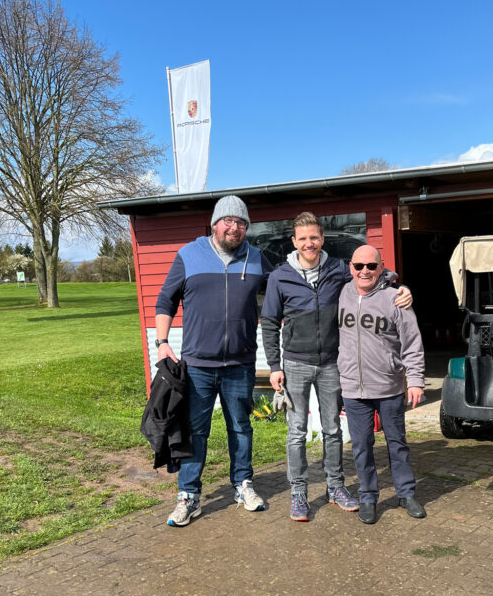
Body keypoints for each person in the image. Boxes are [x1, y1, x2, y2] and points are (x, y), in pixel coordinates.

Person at [261, 213, 411, 521]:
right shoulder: (280, 276)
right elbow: (269, 322)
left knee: (332, 429)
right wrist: (275, 364)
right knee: (297, 432)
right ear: (294, 241)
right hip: (295, 363)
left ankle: (335, 488)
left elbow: (371, 273)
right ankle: (299, 494)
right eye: (302, 238)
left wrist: (401, 286)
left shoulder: (338, 269)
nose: (309, 243)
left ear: (322, 238)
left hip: (331, 363)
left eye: (314, 237)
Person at [155, 195, 273, 526]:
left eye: (241, 223)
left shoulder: (257, 258)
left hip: (240, 363)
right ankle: (189, 496)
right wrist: (162, 343)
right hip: (198, 366)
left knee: (240, 427)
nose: (235, 228)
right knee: (195, 431)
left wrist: (382, 278)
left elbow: (288, 285)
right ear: (215, 224)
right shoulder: (189, 255)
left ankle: (243, 484)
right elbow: (166, 299)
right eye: (229, 221)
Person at [337, 244, 426, 525]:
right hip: (353, 388)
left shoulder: (395, 298)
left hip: (388, 386)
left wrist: (415, 380)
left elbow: (412, 342)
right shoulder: (341, 293)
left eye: (371, 266)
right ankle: (367, 497)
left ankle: (406, 493)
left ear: (382, 267)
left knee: (397, 444)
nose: (365, 271)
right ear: (350, 267)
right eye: (359, 266)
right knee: (361, 446)